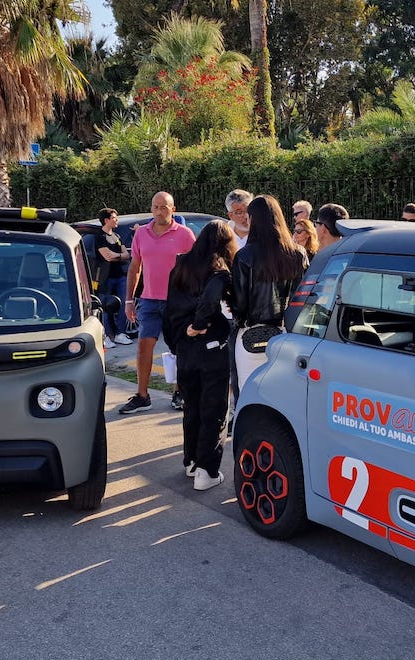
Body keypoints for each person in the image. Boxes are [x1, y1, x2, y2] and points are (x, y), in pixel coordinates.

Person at [163, 220, 237, 491]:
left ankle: (192, 461)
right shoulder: (220, 271)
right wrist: (199, 323)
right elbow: (210, 300)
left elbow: (168, 310)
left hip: (185, 349)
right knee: (214, 410)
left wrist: (180, 338)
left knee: (192, 408)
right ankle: (207, 470)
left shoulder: (181, 266)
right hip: (212, 348)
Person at [119, 192, 195, 415]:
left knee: (178, 349)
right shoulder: (141, 233)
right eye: (155, 207)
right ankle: (142, 396)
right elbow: (135, 267)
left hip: (177, 302)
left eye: (164, 207)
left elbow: (196, 268)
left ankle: (179, 392)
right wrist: (129, 300)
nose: (159, 212)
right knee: (144, 345)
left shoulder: (185, 235)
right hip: (149, 300)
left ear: (173, 209)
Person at [231, 195, 309, 390]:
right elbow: (304, 297)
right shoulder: (298, 254)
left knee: (248, 391)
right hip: (288, 335)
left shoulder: (245, 256)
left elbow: (240, 303)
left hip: (252, 334)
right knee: (284, 393)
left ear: (253, 219)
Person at [92, 208, 133, 348]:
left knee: (123, 304)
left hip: (121, 276)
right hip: (105, 278)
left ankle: (120, 334)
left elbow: (126, 254)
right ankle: (107, 336)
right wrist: (120, 256)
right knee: (105, 307)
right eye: (114, 218)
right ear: (106, 220)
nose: (117, 220)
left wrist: (117, 255)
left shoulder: (117, 236)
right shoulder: (100, 237)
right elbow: (107, 256)